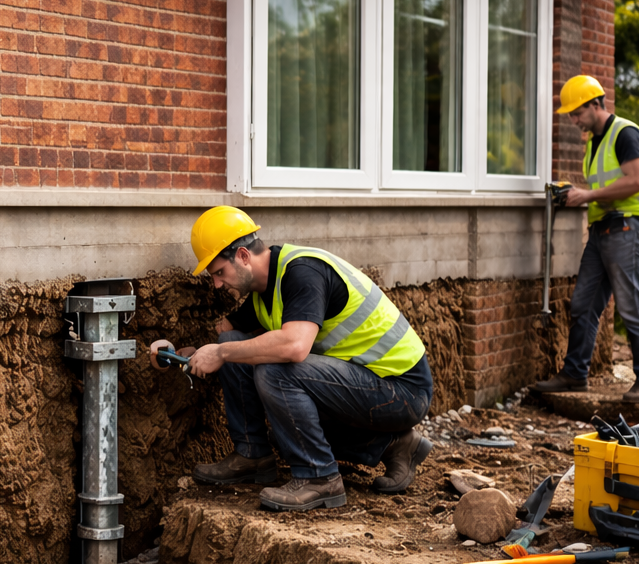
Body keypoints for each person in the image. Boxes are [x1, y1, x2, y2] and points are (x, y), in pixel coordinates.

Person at [149, 206, 435, 512]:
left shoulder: (302, 272)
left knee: (274, 371)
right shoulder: (261, 291)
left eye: (220, 272)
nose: (217, 284)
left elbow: (295, 346)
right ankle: (254, 455)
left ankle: (319, 478)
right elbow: (224, 336)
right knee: (234, 348)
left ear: (243, 256)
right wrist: (188, 353)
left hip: (402, 390)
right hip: (366, 386)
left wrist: (219, 353)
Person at [531, 75, 639, 404]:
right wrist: (576, 194)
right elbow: (605, 188)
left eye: (577, 113)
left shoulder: (626, 134)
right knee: (583, 304)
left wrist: (587, 194)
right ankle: (575, 374)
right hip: (604, 229)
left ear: (594, 104)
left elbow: (635, 182)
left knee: (632, 307)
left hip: (630, 227)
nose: (574, 121)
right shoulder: (594, 142)